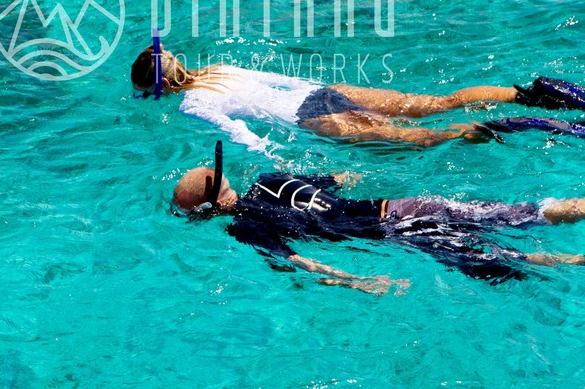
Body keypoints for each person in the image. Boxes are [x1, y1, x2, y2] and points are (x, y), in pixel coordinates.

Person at [172, 148, 585, 295]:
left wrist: (359, 281)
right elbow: (342, 178)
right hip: (405, 205)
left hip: (398, 232)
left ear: (209, 210)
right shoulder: (269, 178)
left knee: (498, 263)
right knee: (520, 214)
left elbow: (300, 263)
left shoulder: (244, 226)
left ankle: (574, 262)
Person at [131, 42, 585, 153]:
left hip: (307, 118)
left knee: (416, 139)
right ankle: (531, 96)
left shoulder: (192, 104)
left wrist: (264, 151)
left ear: (159, 90)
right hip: (326, 92)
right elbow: (282, 78)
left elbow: (235, 129)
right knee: (437, 102)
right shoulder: (220, 68)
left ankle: (508, 127)